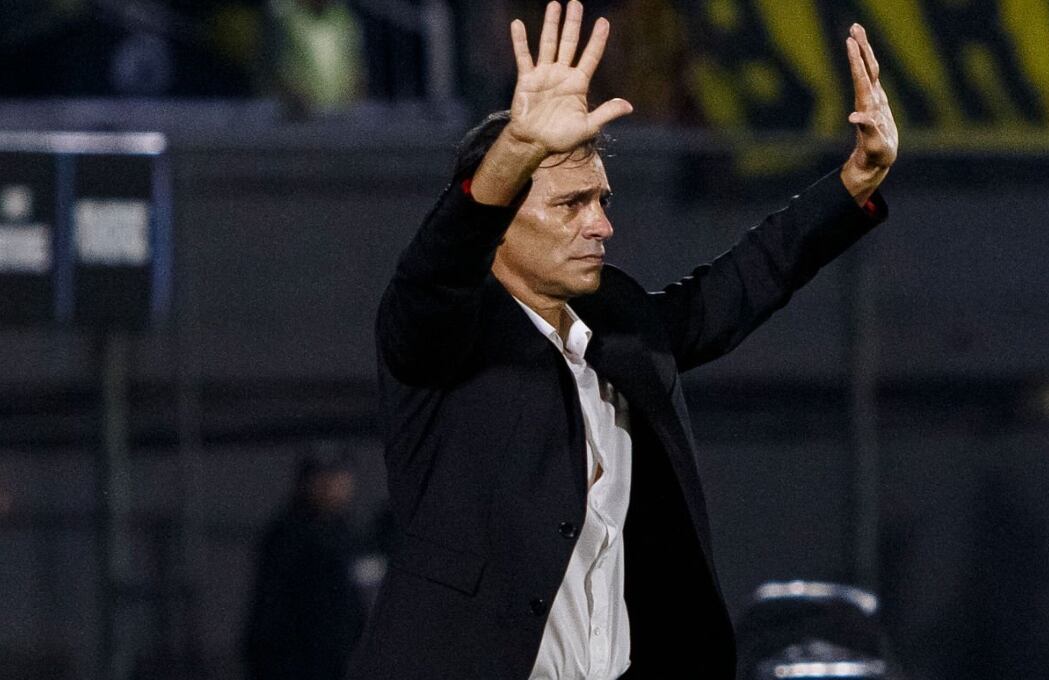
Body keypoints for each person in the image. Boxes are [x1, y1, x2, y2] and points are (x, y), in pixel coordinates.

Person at [349, 2, 897, 678]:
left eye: (602, 200)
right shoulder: (442, 343)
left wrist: (855, 183)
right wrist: (515, 149)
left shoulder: (617, 324)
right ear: (499, 220)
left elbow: (733, 288)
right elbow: (437, 270)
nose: (600, 225)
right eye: (570, 204)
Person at [243, 446, 365, 680]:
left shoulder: (349, 536)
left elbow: (358, 605)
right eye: (321, 477)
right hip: (297, 665)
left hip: (339, 661)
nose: (330, 485)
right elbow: (269, 611)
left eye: (338, 476)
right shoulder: (287, 536)